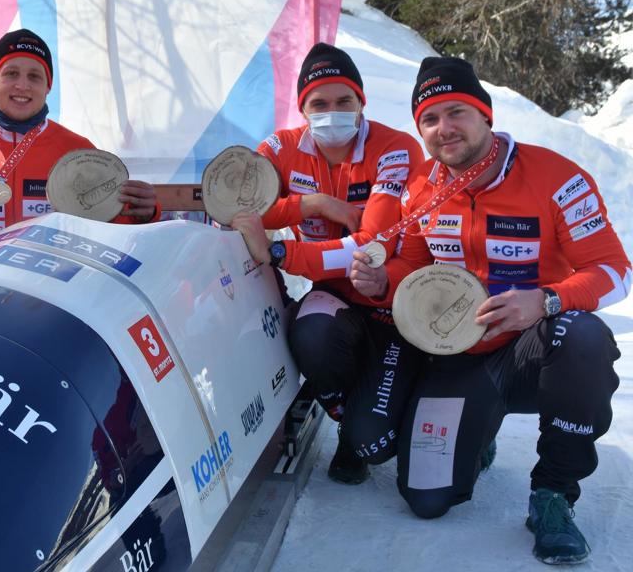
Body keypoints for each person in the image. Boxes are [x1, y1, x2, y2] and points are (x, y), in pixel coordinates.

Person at [349, 56, 630, 564]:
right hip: (459, 355)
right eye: (429, 120)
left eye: (456, 112)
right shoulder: (421, 190)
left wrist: (546, 300)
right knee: (426, 499)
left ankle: (553, 495)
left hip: (533, 348)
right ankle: (480, 432)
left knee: (584, 337)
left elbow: (615, 271)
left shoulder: (555, 177)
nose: (443, 129)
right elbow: (410, 270)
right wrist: (377, 280)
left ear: (486, 114)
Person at [232, 43, 425, 484]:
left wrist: (282, 251)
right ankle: (347, 424)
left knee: (379, 443)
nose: (332, 112)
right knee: (312, 334)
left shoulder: (395, 148)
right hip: (332, 296)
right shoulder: (279, 147)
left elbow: (369, 246)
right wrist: (313, 204)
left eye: (344, 102)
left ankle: (417, 401)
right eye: (319, 103)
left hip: (389, 299)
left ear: (362, 103)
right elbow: (241, 208)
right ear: (303, 108)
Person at [0, 29, 161, 249]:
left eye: (34, 77)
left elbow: (112, 225)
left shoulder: (77, 150)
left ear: (48, 88)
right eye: (11, 73)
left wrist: (143, 213)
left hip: (53, 285)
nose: (22, 85)